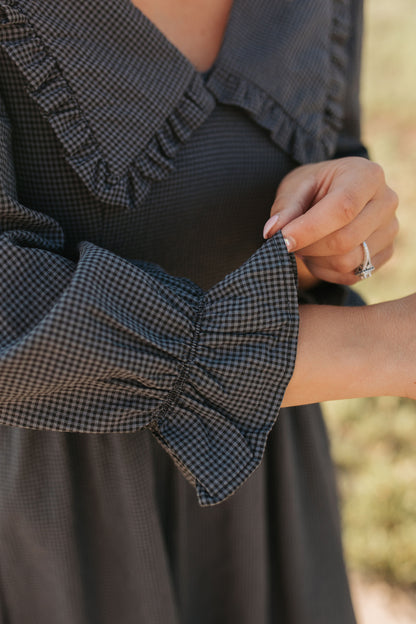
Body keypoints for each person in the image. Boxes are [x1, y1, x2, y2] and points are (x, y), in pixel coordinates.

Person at [0, 0, 414, 622]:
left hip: (264, 476)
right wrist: (375, 349)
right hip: (42, 502)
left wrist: (343, 235)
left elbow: (332, 153)